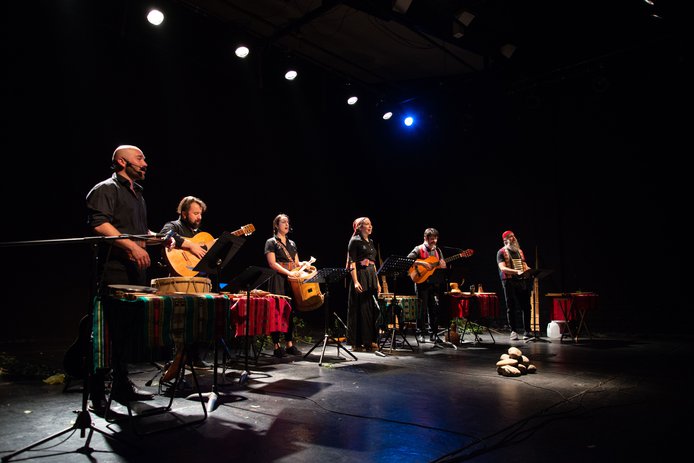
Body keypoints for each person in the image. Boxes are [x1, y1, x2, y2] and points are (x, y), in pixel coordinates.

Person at [85, 144, 159, 414]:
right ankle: (96, 392)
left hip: (135, 273)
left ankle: (120, 385)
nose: (145, 163)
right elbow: (100, 224)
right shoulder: (106, 189)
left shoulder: (138, 194)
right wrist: (132, 247)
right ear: (121, 162)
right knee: (107, 334)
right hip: (113, 272)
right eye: (139, 158)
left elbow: (139, 231)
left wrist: (160, 240)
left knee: (126, 334)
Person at [159, 196, 210, 369]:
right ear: (184, 213)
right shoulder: (174, 226)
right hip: (178, 282)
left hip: (197, 281)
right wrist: (189, 245)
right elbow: (164, 235)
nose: (199, 217)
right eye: (195, 213)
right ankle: (174, 361)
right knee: (178, 322)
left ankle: (194, 357)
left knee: (196, 320)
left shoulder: (199, 235)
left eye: (200, 214)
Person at [264, 214, 304, 358]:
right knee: (277, 311)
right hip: (278, 279)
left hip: (290, 279)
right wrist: (288, 272)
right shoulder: (271, 242)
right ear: (276, 225)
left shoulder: (292, 243)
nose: (286, 224)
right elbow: (272, 263)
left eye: (288, 222)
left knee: (289, 311)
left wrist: (305, 264)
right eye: (283, 222)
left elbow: (296, 263)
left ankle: (289, 344)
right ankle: (276, 345)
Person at [346, 217, 381, 352]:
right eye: (367, 224)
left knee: (371, 309)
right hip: (361, 275)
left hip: (371, 275)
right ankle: (357, 341)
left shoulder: (370, 242)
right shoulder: (355, 241)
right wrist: (355, 281)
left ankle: (370, 340)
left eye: (370, 224)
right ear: (360, 227)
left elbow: (373, 263)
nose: (370, 226)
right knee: (360, 309)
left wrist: (377, 282)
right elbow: (352, 262)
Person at [407, 228, 447, 343]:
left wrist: (443, 265)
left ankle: (433, 333)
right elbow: (407, 260)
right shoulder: (418, 249)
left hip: (434, 283)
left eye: (436, 238)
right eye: (432, 239)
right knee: (422, 309)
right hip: (421, 282)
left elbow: (442, 265)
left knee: (434, 309)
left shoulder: (438, 250)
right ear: (425, 238)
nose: (434, 241)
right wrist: (422, 263)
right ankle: (420, 333)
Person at [496, 230, 532, 341]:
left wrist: (529, 270)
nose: (514, 238)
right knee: (511, 307)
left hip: (521, 280)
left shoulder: (519, 251)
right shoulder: (501, 252)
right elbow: (503, 268)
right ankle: (513, 331)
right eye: (510, 236)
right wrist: (516, 272)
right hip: (509, 281)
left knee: (526, 306)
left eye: (513, 236)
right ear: (505, 240)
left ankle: (527, 331)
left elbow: (524, 264)